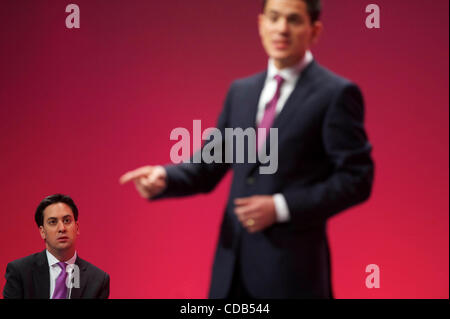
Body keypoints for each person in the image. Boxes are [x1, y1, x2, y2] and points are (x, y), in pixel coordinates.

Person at [120, 0, 374, 298]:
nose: (281, 28)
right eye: (274, 17)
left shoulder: (336, 94)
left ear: (314, 30)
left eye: (293, 20)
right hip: (232, 266)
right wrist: (164, 176)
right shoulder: (241, 92)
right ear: (260, 24)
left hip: (292, 273)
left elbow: (357, 179)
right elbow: (209, 164)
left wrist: (281, 207)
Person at [3, 194, 110, 299]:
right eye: (53, 222)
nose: (62, 228)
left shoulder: (97, 280)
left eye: (67, 220)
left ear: (77, 228)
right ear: (42, 232)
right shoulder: (20, 272)